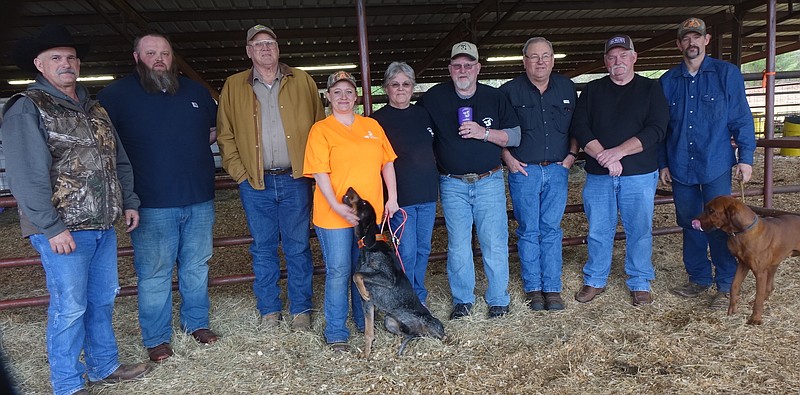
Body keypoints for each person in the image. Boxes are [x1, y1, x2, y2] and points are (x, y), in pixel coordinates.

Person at [2, 24, 150, 395]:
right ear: (39, 64)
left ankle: (104, 366)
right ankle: (67, 383)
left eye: (70, 57)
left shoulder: (94, 107)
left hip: (101, 224)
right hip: (63, 229)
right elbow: (25, 176)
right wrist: (51, 227)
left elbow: (120, 161)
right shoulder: (28, 108)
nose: (65, 64)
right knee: (70, 307)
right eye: (56, 58)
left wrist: (129, 201)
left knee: (101, 299)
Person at [97, 33, 219, 363]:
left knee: (197, 266)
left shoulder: (195, 92)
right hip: (150, 203)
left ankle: (197, 324)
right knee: (155, 273)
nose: (159, 58)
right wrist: (125, 198)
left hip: (199, 198)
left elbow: (214, 129)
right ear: (136, 57)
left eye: (165, 52)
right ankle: (157, 338)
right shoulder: (115, 96)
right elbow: (104, 148)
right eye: (151, 53)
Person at [217, 25, 325, 331]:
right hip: (256, 182)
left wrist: (313, 170)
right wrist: (240, 174)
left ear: (278, 48)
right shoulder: (234, 85)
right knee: (262, 247)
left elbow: (320, 127)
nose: (265, 48)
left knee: (298, 246)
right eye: (258, 44)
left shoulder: (301, 79)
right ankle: (269, 311)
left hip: (295, 179)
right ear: (249, 52)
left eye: (270, 43)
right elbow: (225, 136)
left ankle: (301, 310)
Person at [418, 42, 521, 320]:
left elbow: (514, 136)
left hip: (489, 180)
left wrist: (483, 132)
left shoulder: (494, 97)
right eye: (457, 65)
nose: (463, 70)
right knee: (459, 244)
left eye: (468, 65)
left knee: (494, 241)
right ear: (450, 69)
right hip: (452, 183)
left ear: (478, 68)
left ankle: (498, 299)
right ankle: (463, 300)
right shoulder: (434, 97)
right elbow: (414, 126)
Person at [659, 17, 756, 309]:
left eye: (696, 37)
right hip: (680, 164)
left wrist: (746, 159)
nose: (691, 42)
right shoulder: (667, 81)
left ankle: (726, 284)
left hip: (714, 163)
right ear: (679, 44)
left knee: (721, 224)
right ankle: (698, 279)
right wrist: (663, 163)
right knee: (691, 223)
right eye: (686, 38)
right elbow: (661, 128)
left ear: (706, 40)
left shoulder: (727, 74)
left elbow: (741, 117)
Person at [570, 34, 669, 306]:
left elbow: (657, 128)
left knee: (639, 228)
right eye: (612, 57)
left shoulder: (651, 88)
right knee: (598, 229)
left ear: (634, 58)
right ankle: (595, 279)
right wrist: (605, 157)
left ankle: (639, 281)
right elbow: (580, 126)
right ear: (605, 61)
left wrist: (618, 152)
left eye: (623, 55)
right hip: (600, 174)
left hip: (638, 174)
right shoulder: (591, 90)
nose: (618, 61)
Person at [303, 70, 399, 351]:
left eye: (348, 92)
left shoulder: (372, 126)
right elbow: (320, 173)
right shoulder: (320, 129)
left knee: (367, 268)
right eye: (337, 92)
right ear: (328, 97)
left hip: (369, 217)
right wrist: (337, 206)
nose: (343, 97)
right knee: (339, 270)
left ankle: (362, 321)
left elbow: (388, 164)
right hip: (334, 215)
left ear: (355, 96)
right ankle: (336, 332)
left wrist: (391, 198)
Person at [499, 37, 578, 311]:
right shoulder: (509, 91)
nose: (540, 61)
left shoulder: (567, 87)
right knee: (528, 230)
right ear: (525, 61)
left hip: (558, 169)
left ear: (553, 59)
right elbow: (500, 132)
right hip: (524, 171)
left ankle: (553, 289)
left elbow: (577, 127)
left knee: (552, 230)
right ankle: (533, 288)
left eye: (545, 56)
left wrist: (571, 157)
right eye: (534, 57)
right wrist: (507, 158)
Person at [370, 61, 438, 305]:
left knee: (423, 250)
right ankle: (404, 300)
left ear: (413, 87)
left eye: (406, 84)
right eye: (394, 84)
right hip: (399, 198)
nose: (401, 89)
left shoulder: (423, 114)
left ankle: (418, 297)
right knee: (405, 253)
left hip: (427, 193)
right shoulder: (376, 122)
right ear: (386, 88)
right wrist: (388, 198)